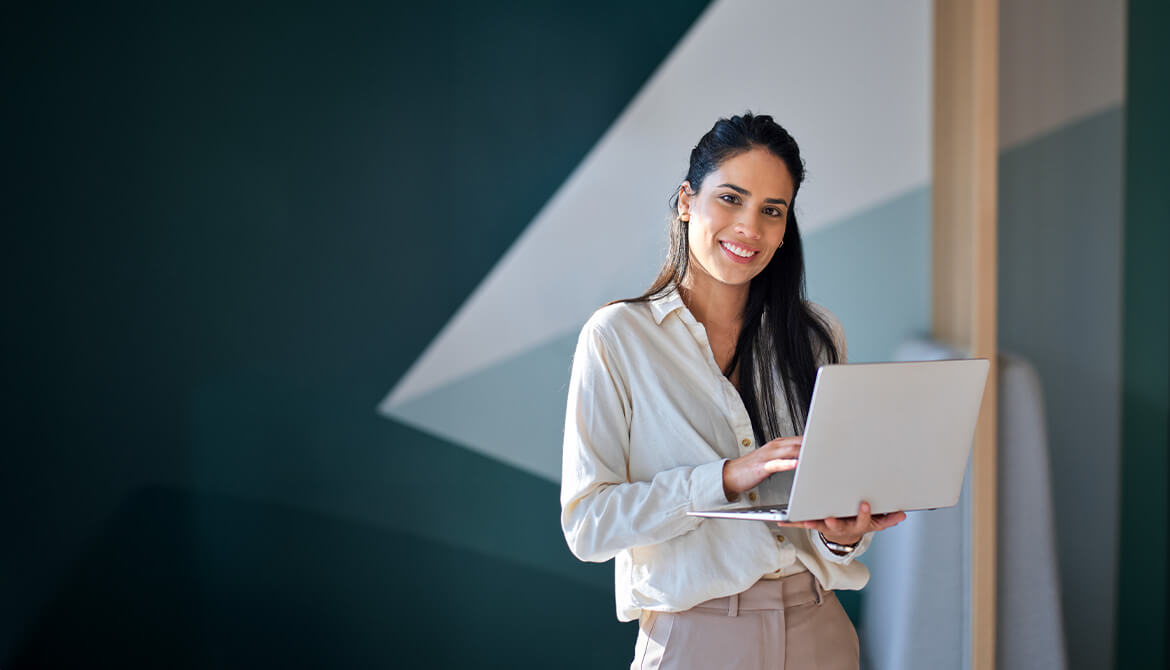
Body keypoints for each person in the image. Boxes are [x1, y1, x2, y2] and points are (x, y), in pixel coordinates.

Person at [560, 113, 907, 669]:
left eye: (773, 211)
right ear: (685, 201)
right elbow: (589, 526)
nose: (750, 227)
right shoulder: (617, 338)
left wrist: (843, 535)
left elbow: (827, 516)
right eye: (731, 198)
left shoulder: (817, 336)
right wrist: (724, 478)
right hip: (696, 638)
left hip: (819, 629)